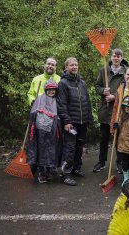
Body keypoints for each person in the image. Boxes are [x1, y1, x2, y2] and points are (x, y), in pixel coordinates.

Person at [57, 57, 93, 186]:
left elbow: (87, 101)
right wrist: (66, 121)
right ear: (66, 67)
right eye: (71, 65)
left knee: (79, 146)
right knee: (69, 148)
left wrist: (89, 118)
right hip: (71, 123)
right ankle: (65, 174)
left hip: (82, 121)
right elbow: (61, 104)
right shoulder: (63, 83)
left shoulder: (82, 83)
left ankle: (76, 168)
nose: (74, 67)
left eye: (76, 65)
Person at [93, 49, 129, 174]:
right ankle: (101, 162)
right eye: (114, 56)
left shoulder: (125, 73)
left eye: (119, 56)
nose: (116, 58)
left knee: (118, 137)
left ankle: (119, 163)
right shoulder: (104, 71)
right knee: (103, 137)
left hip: (118, 110)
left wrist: (114, 96)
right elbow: (97, 86)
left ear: (121, 58)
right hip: (105, 109)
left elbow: (125, 90)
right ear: (111, 57)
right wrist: (103, 91)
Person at [26, 79, 62, 183]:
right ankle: (41, 172)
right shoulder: (40, 99)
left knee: (52, 149)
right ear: (46, 90)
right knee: (41, 150)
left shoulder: (57, 100)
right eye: (49, 89)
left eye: (53, 89)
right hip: (41, 130)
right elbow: (33, 114)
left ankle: (49, 169)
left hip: (53, 130)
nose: (51, 91)